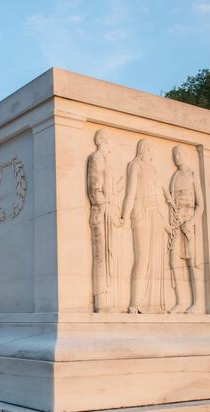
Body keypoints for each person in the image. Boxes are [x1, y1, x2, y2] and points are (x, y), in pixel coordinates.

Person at [118, 139, 166, 314]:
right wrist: (124, 215)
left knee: (154, 258)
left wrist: (166, 222)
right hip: (141, 214)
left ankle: (151, 303)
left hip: (155, 215)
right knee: (142, 258)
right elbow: (130, 192)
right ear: (146, 149)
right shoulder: (135, 165)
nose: (154, 153)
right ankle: (134, 303)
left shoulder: (153, 169)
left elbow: (158, 197)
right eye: (153, 149)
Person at [164, 146, 204, 313]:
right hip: (176, 222)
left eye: (178, 154)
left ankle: (197, 303)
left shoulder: (192, 175)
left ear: (185, 155)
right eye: (174, 155)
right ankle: (180, 301)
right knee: (174, 262)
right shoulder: (175, 176)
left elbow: (200, 205)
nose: (176, 158)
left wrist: (192, 221)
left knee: (191, 263)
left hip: (188, 222)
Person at [87, 129, 116, 312]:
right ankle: (101, 302)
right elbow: (94, 187)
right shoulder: (97, 157)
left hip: (108, 211)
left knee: (108, 256)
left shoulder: (105, 159)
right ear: (103, 140)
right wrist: (104, 205)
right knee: (100, 258)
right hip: (100, 213)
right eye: (109, 140)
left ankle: (108, 299)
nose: (112, 144)